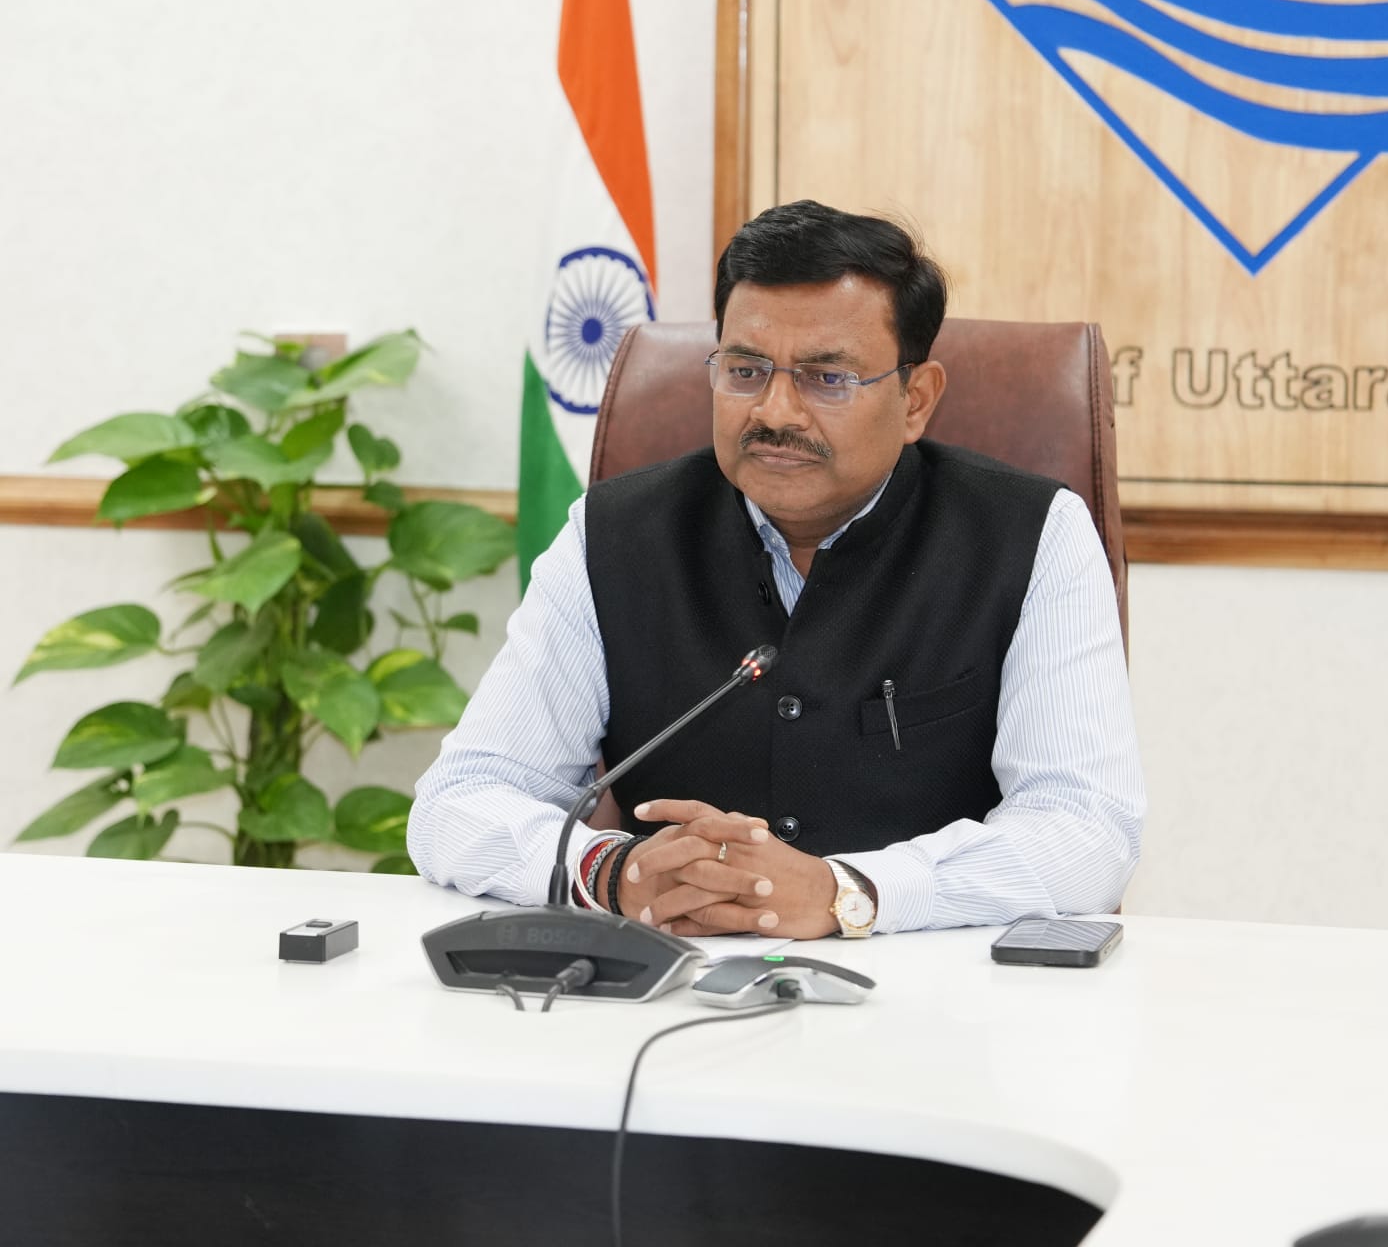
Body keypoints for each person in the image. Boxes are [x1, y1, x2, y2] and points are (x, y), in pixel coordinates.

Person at [408, 200, 1144, 940]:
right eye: (745, 370)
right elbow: (460, 800)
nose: (776, 411)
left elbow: (1086, 831)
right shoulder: (610, 534)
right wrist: (611, 871)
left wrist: (850, 891)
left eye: (828, 378)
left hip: (937, 982)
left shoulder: (1033, 536)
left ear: (915, 400)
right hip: (673, 978)